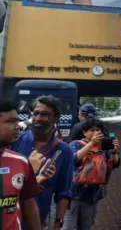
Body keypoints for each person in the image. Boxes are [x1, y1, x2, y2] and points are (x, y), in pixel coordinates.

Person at [11, 96, 74, 229]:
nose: (39, 118)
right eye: (36, 113)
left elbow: (64, 192)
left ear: (56, 118)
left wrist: (58, 223)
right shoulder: (14, 142)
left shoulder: (64, 151)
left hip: (37, 223)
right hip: (10, 220)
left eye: (45, 114)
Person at [63, 119, 120, 230]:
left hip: (92, 196)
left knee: (86, 227)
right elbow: (73, 160)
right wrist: (91, 144)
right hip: (74, 194)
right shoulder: (76, 144)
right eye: (91, 130)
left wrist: (114, 151)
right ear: (84, 132)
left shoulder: (103, 148)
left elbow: (115, 164)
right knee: (68, 227)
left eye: (98, 130)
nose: (95, 132)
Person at [0, 99, 46, 230]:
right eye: (11, 121)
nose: (18, 126)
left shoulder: (21, 162)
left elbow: (29, 207)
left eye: (17, 120)